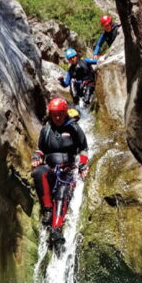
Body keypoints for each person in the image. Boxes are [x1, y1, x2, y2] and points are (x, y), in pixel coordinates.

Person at [31, 97, 89, 226]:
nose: (57, 118)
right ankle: (47, 210)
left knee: (62, 193)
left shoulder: (74, 128)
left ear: (65, 113)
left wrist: (83, 164)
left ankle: (56, 228)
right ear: (50, 114)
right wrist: (36, 156)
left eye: (60, 115)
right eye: (54, 115)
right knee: (38, 172)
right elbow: (41, 150)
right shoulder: (46, 130)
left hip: (68, 171)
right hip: (51, 169)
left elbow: (83, 148)